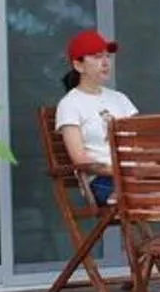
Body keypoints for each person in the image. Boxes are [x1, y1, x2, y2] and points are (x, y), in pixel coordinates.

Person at [53, 28, 136, 204]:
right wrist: (119, 171)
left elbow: (138, 144)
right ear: (78, 65)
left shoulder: (120, 99)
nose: (106, 62)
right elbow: (80, 158)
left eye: (107, 56)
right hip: (103, 180)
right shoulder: (70, 104)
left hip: (135, 176)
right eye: (97, 57)